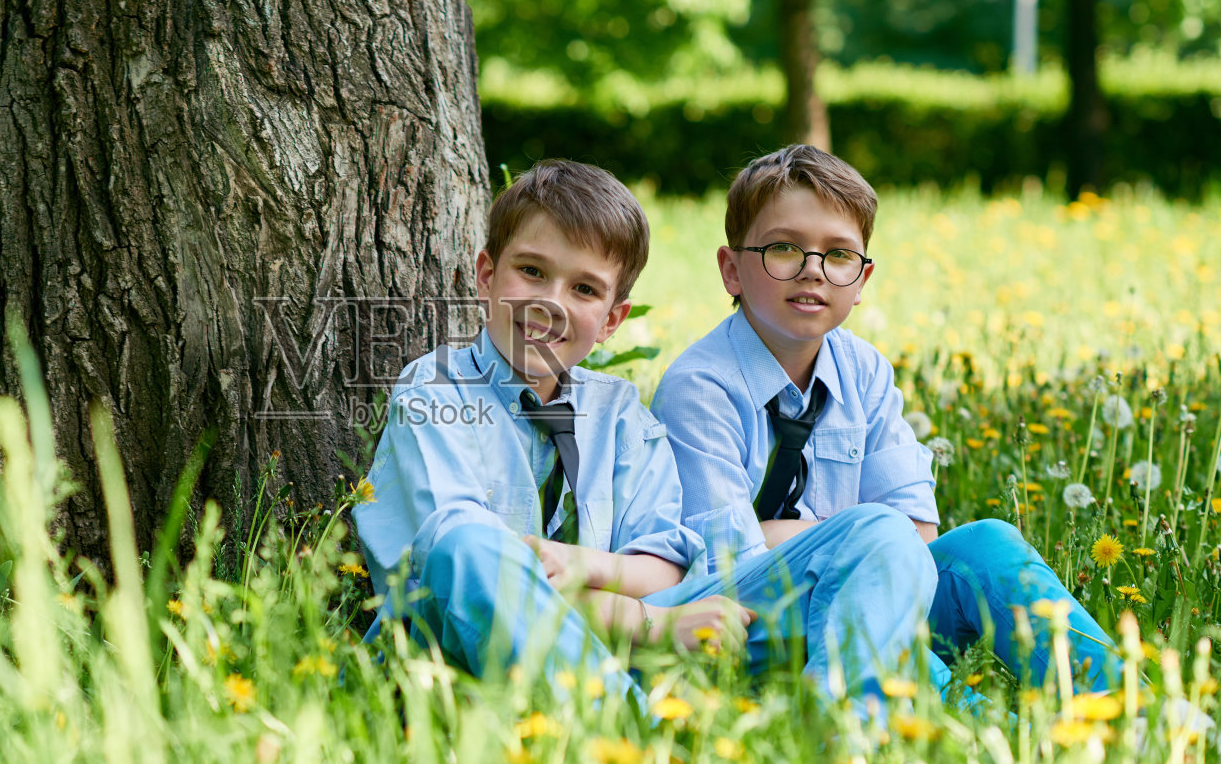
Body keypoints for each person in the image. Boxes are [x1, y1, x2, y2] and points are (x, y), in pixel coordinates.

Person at [353, 158, 940, 715]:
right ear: (486, 276)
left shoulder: (620, 417)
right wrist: (647, 623)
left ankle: (850, 734)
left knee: (876, 537)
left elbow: (669, 567)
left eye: (585, 290)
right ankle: (633, 732)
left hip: (625, 642)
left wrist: (635, 601)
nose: (551, 303)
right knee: (470, 548)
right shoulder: (436, 393)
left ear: (613, 319)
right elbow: (473, 570)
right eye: (531, 271)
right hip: (456, 650)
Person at [649, 143, 1124, 700]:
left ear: (862, 279)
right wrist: (858, 536)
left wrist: (857, 542)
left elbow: (917, 532)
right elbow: (724, 561)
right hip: (743, 626)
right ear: (731, 270)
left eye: (838, 254)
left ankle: (1122, 704)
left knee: (986, 544)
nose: (813, 270)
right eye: (783, 248)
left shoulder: (863, 370)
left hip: (869, 589)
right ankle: (975, 732)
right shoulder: (699, 388)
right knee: (874, 578)